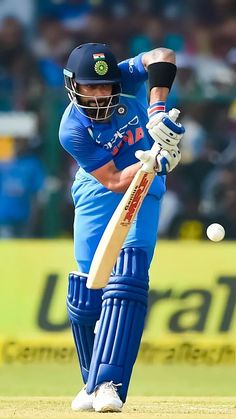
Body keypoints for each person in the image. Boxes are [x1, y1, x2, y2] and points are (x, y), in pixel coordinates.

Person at [59, 42, 185, 413]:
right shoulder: (72, 129)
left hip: (144, 190)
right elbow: (113, 180)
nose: (100, 95)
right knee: (88, 290)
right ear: (73, 87)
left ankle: (109, 384)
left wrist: (157, 112)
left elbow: (163, 55)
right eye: (90, 87)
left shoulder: (126, 78)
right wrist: (153, 158)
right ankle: (92, 380)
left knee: (129, 275)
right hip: (100, 187)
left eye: (106, 87)